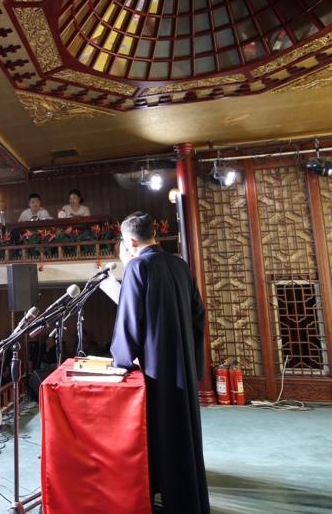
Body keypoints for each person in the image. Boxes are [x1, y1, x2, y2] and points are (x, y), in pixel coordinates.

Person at [110, 212, 208, 513]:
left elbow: (129, 322)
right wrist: (193, 361)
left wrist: (121, 359)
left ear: (131, 241)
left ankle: (162, 496)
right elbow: (198, 315)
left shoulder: (138, 267)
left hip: (158, 370)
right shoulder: (180, 265)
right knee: (183, 435)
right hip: (183, 366)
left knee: (162, 434)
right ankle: (188, 499)